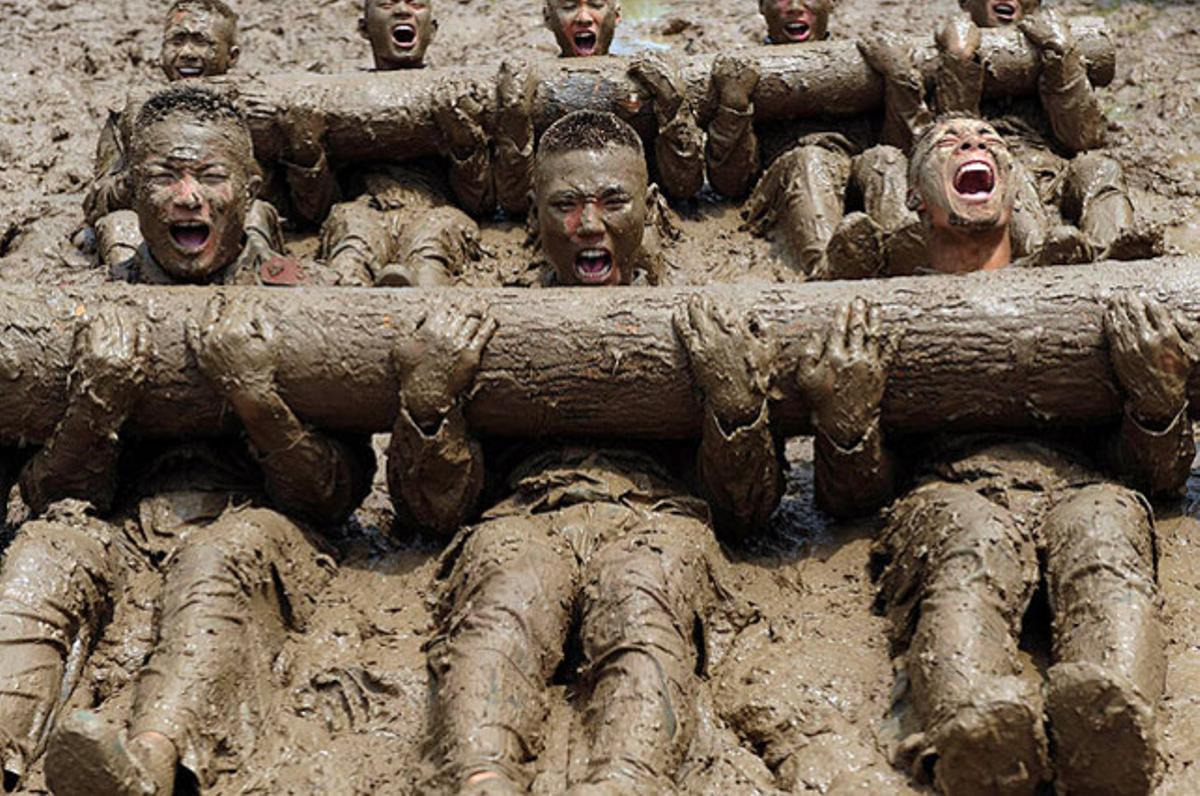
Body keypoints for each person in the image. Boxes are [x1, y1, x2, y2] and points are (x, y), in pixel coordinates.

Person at [387, 110, 862, 793]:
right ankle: (478, 773)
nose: (589, 226)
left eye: (613, 203)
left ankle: (625, 778)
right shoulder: (489, 324)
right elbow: (433, 511)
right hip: (522, 515)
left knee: (644, 603)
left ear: (651, 209)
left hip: (659, 516)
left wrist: (736, 409)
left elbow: (746, 512)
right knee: (501, 606)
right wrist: (429, 406)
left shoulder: (701, 320)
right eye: (566, 206)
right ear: (533, 215)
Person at [0, 86, 374, 796]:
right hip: (119, 523)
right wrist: (95, 403)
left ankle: (149, 759)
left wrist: (259, 401)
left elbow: (337, 494)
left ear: (249, 192)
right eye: (164, 177)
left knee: (219, 560)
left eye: (209, 177)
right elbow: (47, 497)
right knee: (42, 553)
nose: (187, 197)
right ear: (130, 195)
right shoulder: (84, 310)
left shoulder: (309, 301)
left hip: (259, 523)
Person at [823, 116, 1190, 795]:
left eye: (991, 139)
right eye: (949, 142)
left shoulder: (1083, 297)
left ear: (1014, 188)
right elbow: (849, 498)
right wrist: (848, 421)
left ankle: (1112, 720)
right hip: (950, 488)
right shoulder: (880, 309)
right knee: (966, 548)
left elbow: (1156, 478)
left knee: (1108, 530)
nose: (974, 145)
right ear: (915, 199)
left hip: (1080, 481)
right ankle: (972, 726)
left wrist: (1157, 404)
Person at [290, 0, 538, 286]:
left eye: (416, 4)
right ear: (363, 28)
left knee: (433, 245)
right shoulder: (338, 98)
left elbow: (479, 201)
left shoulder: (453, 95)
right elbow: (315, 209)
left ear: (432, 30)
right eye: (386, 3)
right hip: (364, 207)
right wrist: (306, 151)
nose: (402, 11)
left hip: (437, 210)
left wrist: (463, 142)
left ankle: (421, 297)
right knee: (351, 237)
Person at [84, 0, 250, 268]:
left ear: (232, 56)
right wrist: (140, 178)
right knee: (119, 224)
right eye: (177, 41)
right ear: (161, 50)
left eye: (201, 42)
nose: (187, 53)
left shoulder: (252, 115)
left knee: (257, 217)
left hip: (226, 235)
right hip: (155, 233)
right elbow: (95, 202)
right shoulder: (132, 114)